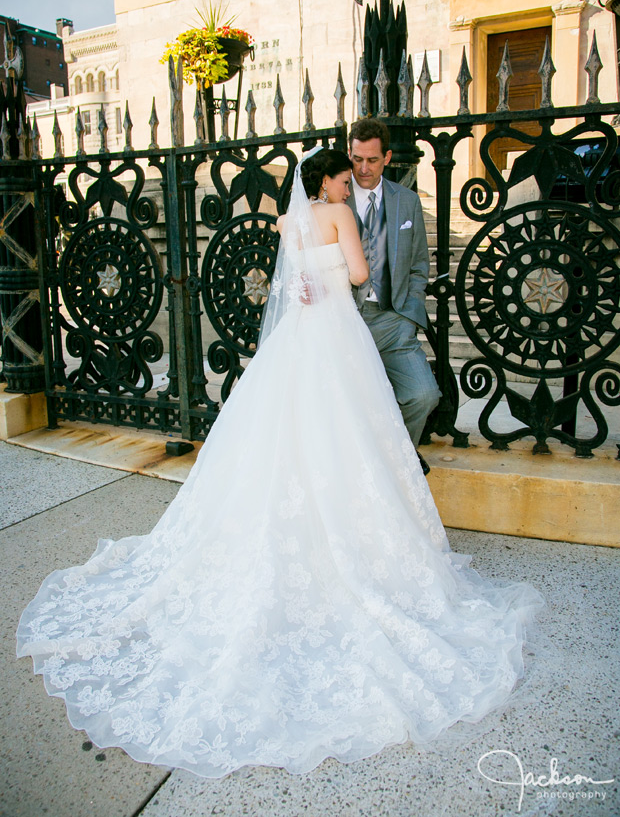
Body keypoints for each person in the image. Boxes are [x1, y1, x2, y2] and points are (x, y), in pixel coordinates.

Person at [16, 146, 543, 779]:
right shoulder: (338, 215)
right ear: (325, 181)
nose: (350, 187)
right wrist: (355, 266)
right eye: (344, 178)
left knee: (288, 436)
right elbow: (354, 276)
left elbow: (294, 284)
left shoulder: (289, 222)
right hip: (337, 337)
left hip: (298, 338)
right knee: (349, 436)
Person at [347, 118, 440, 474]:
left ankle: (394, 463)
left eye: (372, 160)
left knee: (423, 394)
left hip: (393, 320)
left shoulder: (408, 202)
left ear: (387, 157)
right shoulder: (335, 198)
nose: (363, 168)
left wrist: (407, 316)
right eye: (357, 159)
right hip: (347, 322)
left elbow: (419, 265)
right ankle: (369, 472)